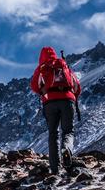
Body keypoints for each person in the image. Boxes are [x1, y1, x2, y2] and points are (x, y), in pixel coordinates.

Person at [30, 46, 81, 175]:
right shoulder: (63, 65)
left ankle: (55, 169)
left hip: (49, 102)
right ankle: (66, 149)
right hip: (68, 100)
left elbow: (34, 86)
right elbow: (77, 86)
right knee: (68, 131)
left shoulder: (42, 68)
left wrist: (44, 91)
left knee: (53, 134)